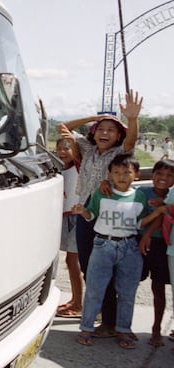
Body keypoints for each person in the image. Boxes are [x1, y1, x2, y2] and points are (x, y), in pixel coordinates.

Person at [57, 91, 142, 337]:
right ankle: (104, 316)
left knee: (111, 270)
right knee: (88, 267)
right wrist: (97, 116)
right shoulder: (87, 148)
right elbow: (63, 127)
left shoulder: (120, 154)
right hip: (86, 215)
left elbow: (131, 140)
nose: (105, 133)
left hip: (109, 217)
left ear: (118, 136)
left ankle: (112, 322)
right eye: (101, 129)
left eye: (111, 130)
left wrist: (132, 119)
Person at [73, 154, 154, 349]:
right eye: (116, 172)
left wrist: (157, 214)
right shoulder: (101, 193)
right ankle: (86, 328)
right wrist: (82, 211)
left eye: (127, 172)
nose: (121, 176)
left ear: (135, 175)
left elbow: (139, 222)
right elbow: (91, 214)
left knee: (127, 292)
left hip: (130, 248)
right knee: (95, 289)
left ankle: (123, 330)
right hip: (103, 246)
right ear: (109, 174)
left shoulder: (140, 196)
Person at [136, 158, 174, 346]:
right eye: (159, 173)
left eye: (169, 175)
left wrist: (149, 234)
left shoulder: (172, 195)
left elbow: (163, 216)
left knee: (158, 288)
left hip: (161, 246)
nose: (163, 178)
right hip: (138, 241)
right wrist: (145, 235)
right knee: (129, 283)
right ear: (152, 175)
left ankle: (156, 329)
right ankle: (121, 325)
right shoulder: (142, 192)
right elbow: (137, 218)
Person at [55, 137, 84, 318]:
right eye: (59, 148)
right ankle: (75, 299)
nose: (62, 152)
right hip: (65, 217)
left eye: (67, 148)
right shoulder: (59, 169)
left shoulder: (78, 166)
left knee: (74, 262)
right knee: (69, 262)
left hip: (77, 217)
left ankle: (79, 304)